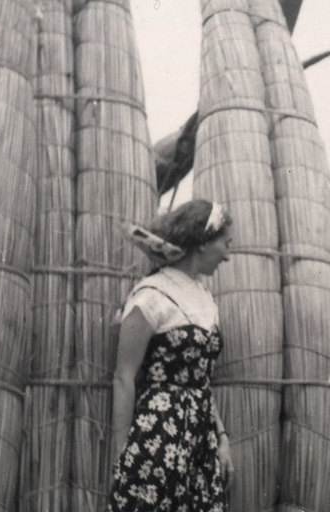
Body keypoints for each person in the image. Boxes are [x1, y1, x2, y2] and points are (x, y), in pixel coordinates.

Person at [110, 199, 236, 512]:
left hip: (200, 442)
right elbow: (124, 377)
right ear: (203, 243)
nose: (229, 255)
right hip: (158, 436)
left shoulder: (205, 297)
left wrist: (221, 437)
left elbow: (201, 379)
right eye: (226, 244)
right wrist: (123, 455)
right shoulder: (151, 295)